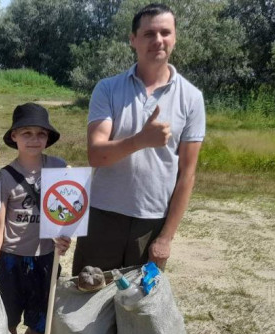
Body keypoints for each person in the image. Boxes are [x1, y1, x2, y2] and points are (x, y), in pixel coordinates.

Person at [74, 2, 205, 274]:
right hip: (102, 215)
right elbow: (96, 154)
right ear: (133, 40)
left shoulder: (192, 98)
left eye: (165, 32)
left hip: (152, 221)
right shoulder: (107, 89)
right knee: (88, 296)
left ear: (175, 38)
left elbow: (187, 174)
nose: (158, 40)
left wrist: (166, 237)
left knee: (140, 299)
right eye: (148, 34)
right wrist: (140, 140)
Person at [0, 103, 71, 334]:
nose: (34, 139)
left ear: (48, 137)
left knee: (42, 321)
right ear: (14, 137)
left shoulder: (59, 167)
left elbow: (70, 210)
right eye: (27, 133)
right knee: (7, 320)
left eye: (40, 133)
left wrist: (66, 235)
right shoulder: (4, 177)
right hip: (11, 259)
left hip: (46, 258)